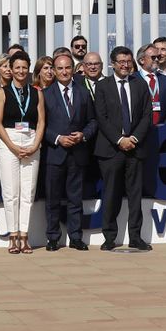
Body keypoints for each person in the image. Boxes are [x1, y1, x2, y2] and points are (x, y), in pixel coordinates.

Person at [93, 47, 154, 251]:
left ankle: (135, 236)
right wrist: (120, 140)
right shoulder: (102, 86)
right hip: (111, 149)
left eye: (128, 61)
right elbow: (102, 118)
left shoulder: (140, 84)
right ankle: (109, 237)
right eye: (121, 61)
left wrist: (133, 138)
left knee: (135, 195)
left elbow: (147, 115)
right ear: (113, 63)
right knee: (111, 194)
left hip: (135, 148)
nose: (125, 65)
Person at [42, 52, 96, 251]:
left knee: (75, 198)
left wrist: (83, 135)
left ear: (73, 70)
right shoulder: (45, 94)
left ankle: (75, 237)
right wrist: (57, 138)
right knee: (52, 199)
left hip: (78, 152)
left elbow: (93, 120)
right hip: (55, 153)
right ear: (53, 71)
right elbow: (41, 125)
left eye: (67, 68)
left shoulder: (83, 92)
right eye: (60, 68)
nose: (64, 72)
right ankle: (53, 237)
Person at [0, 53, 45, 254]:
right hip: (9, 141)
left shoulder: (36, 92)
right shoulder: (2, 92)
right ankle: (12, 236)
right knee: (10, 192)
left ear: (29, 69)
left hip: (31, 141)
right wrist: (12, 146)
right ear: (10, 69)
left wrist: (35, 144)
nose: (21, 71)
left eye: (24, 68)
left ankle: (24, 235)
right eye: (17, 68)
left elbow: (41, 121)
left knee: (27, 192)